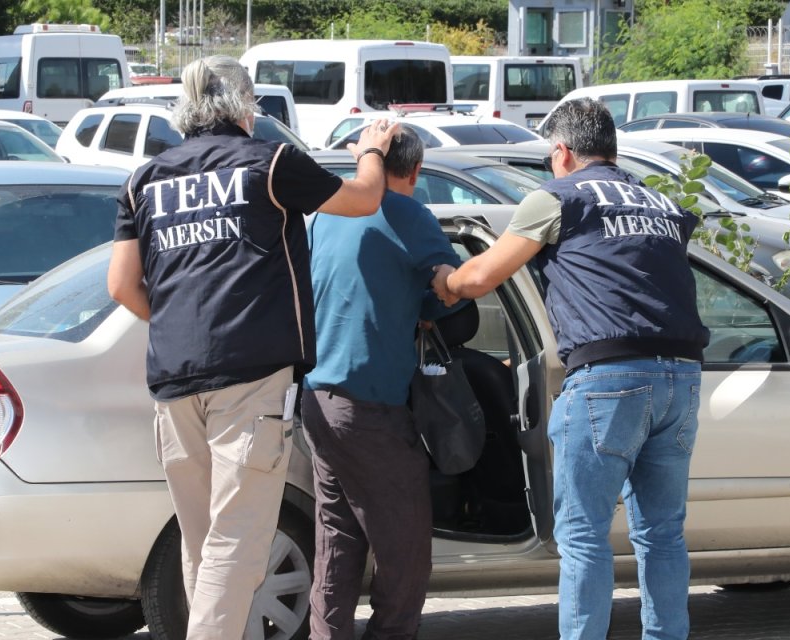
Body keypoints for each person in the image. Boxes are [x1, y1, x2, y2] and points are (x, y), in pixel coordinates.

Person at [107, 55, 402, 640]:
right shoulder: (268, 162)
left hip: (172, 381)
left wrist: (175, 326)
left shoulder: (144, 180)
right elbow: (366, 198)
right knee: (237, 543)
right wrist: (372, 147)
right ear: (247, 109)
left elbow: (120, 285)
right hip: (247, 378)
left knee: (206, 544)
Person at [433, 97, 709, 640]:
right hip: (681, 378)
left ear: (561, 152)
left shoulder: (558, 197)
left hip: (609, 380)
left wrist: (443, 280)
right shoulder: (658, 201)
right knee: (662, 535)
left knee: (583, 535)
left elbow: (481, 278)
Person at [299, 130, 459, 640]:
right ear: (415, 171)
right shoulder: (410, 216)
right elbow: (450, 296)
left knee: (339, 541)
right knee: (406, 553)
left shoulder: (326, 215)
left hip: (318, 401)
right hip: (370, 407)